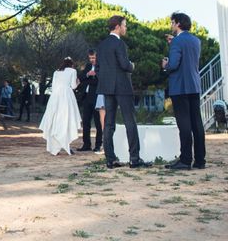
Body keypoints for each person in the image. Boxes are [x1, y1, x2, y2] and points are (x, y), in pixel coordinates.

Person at [97, 15, 150, 169]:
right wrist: (132, 66)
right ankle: (134, 158)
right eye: (125, 25)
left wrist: (106, 80)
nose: (126, 28)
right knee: (130, 122)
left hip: (107, 88)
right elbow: (124, 64)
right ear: (117, 27)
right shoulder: (120, 44)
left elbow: (98, 69)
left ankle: (110, 159)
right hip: (122, 86)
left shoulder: (101, 45)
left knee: (108, 124)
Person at [162, 12, 206, 170]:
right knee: (197, 123)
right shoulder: (196, 41)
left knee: (184, 125)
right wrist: (174, 44)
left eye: (172, 23)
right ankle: (200, 160)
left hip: (180, 87)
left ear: (178, 24)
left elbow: (173, 64)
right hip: (194, 86)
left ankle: (185, 160)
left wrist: (165, 65)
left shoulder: (176, 42)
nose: (171, 26)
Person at [38, 57, 82, 155]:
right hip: (66, 95)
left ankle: (54, 147)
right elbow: (73, 86)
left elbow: (53, 86)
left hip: (55, 96)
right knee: (66, 119)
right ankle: (66, 144)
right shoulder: (73, 71)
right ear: (71, 64)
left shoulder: (56, 72)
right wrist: (78, 83)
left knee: (55, 119)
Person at [77, 49, 103, 153]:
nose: (92, 60)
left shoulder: (101, 66)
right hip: (86, 97)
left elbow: (100, 81)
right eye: (90, 58)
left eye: (93, 58)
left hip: (96, 97)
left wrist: (94, 76)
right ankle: (86, 144)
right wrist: (88, 75)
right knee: (86, 122)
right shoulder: (88, 66)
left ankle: (98, 145)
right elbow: (81, 77)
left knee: (97, 123)